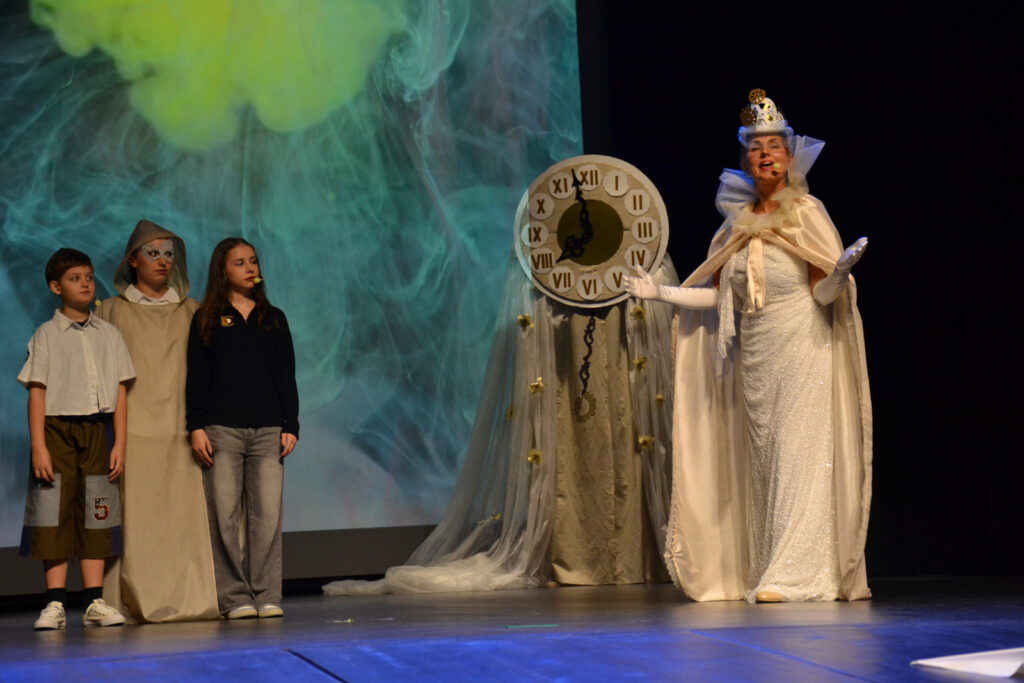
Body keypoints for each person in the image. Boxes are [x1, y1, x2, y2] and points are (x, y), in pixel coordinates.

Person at [624, 89, 872, 603]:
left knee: (798, 456)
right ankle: (768, 568)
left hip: (804, 345)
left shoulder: (807, 213)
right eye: (756, 148)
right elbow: (718, 299)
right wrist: (660, 293)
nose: (765, 155)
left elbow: (823, 294)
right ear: (746, 160)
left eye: (774, 146)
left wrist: (840, 272)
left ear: (790, 156)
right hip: (755, 358)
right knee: (765, 462)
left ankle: (797, 576)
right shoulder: (735, 226)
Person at [96, 220, 220, 622]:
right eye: (153, 253)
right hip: (132, 432)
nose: (163, 261)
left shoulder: (191, 310)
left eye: (169, 254)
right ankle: (133, 597)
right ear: (133, 260)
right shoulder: (112, 311)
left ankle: (191, 596)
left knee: (183, 517)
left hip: (182, 430)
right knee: (139, 520)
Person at [18, 248, 136, 629]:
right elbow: (37, 391)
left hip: (98, 430)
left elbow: (120, 391)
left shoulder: (110, 334)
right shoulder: (46, 334)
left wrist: (119, 443)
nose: (85, 284)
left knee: (97, 511)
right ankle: (54, 602)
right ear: (56, 287)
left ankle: (93, 600)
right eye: (74, 278)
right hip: (56, 431)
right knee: (52, 512)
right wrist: (39, 446)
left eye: (88, 276)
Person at [186, 237, 299, 619]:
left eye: (253, 261)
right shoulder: (207, 317)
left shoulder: (274, 318)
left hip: (268, 431)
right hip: (222, 430)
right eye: (240, 263)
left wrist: (291, 423)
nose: (250, 268)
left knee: (267, 517)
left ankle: (266, 594)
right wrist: (196, 425)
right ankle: (235, 598)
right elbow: (198, 377)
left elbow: (286, 375)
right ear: (222, 271)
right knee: (225, 516)